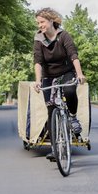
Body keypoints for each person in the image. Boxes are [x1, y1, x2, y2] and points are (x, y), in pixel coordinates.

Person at [33, 8, 86, 155]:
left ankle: (73, 118)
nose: (40, 25)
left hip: (66, 72)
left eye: (42, 22)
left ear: (51, 21)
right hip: (48, 75)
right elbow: (38, 61)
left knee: (69, 90)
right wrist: (38, 80)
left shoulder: (63, 36)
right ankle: (55, 149)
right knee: (51, 109)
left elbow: (73, 55)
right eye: (38, 23)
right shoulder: (39, 39)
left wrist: (80, 74)